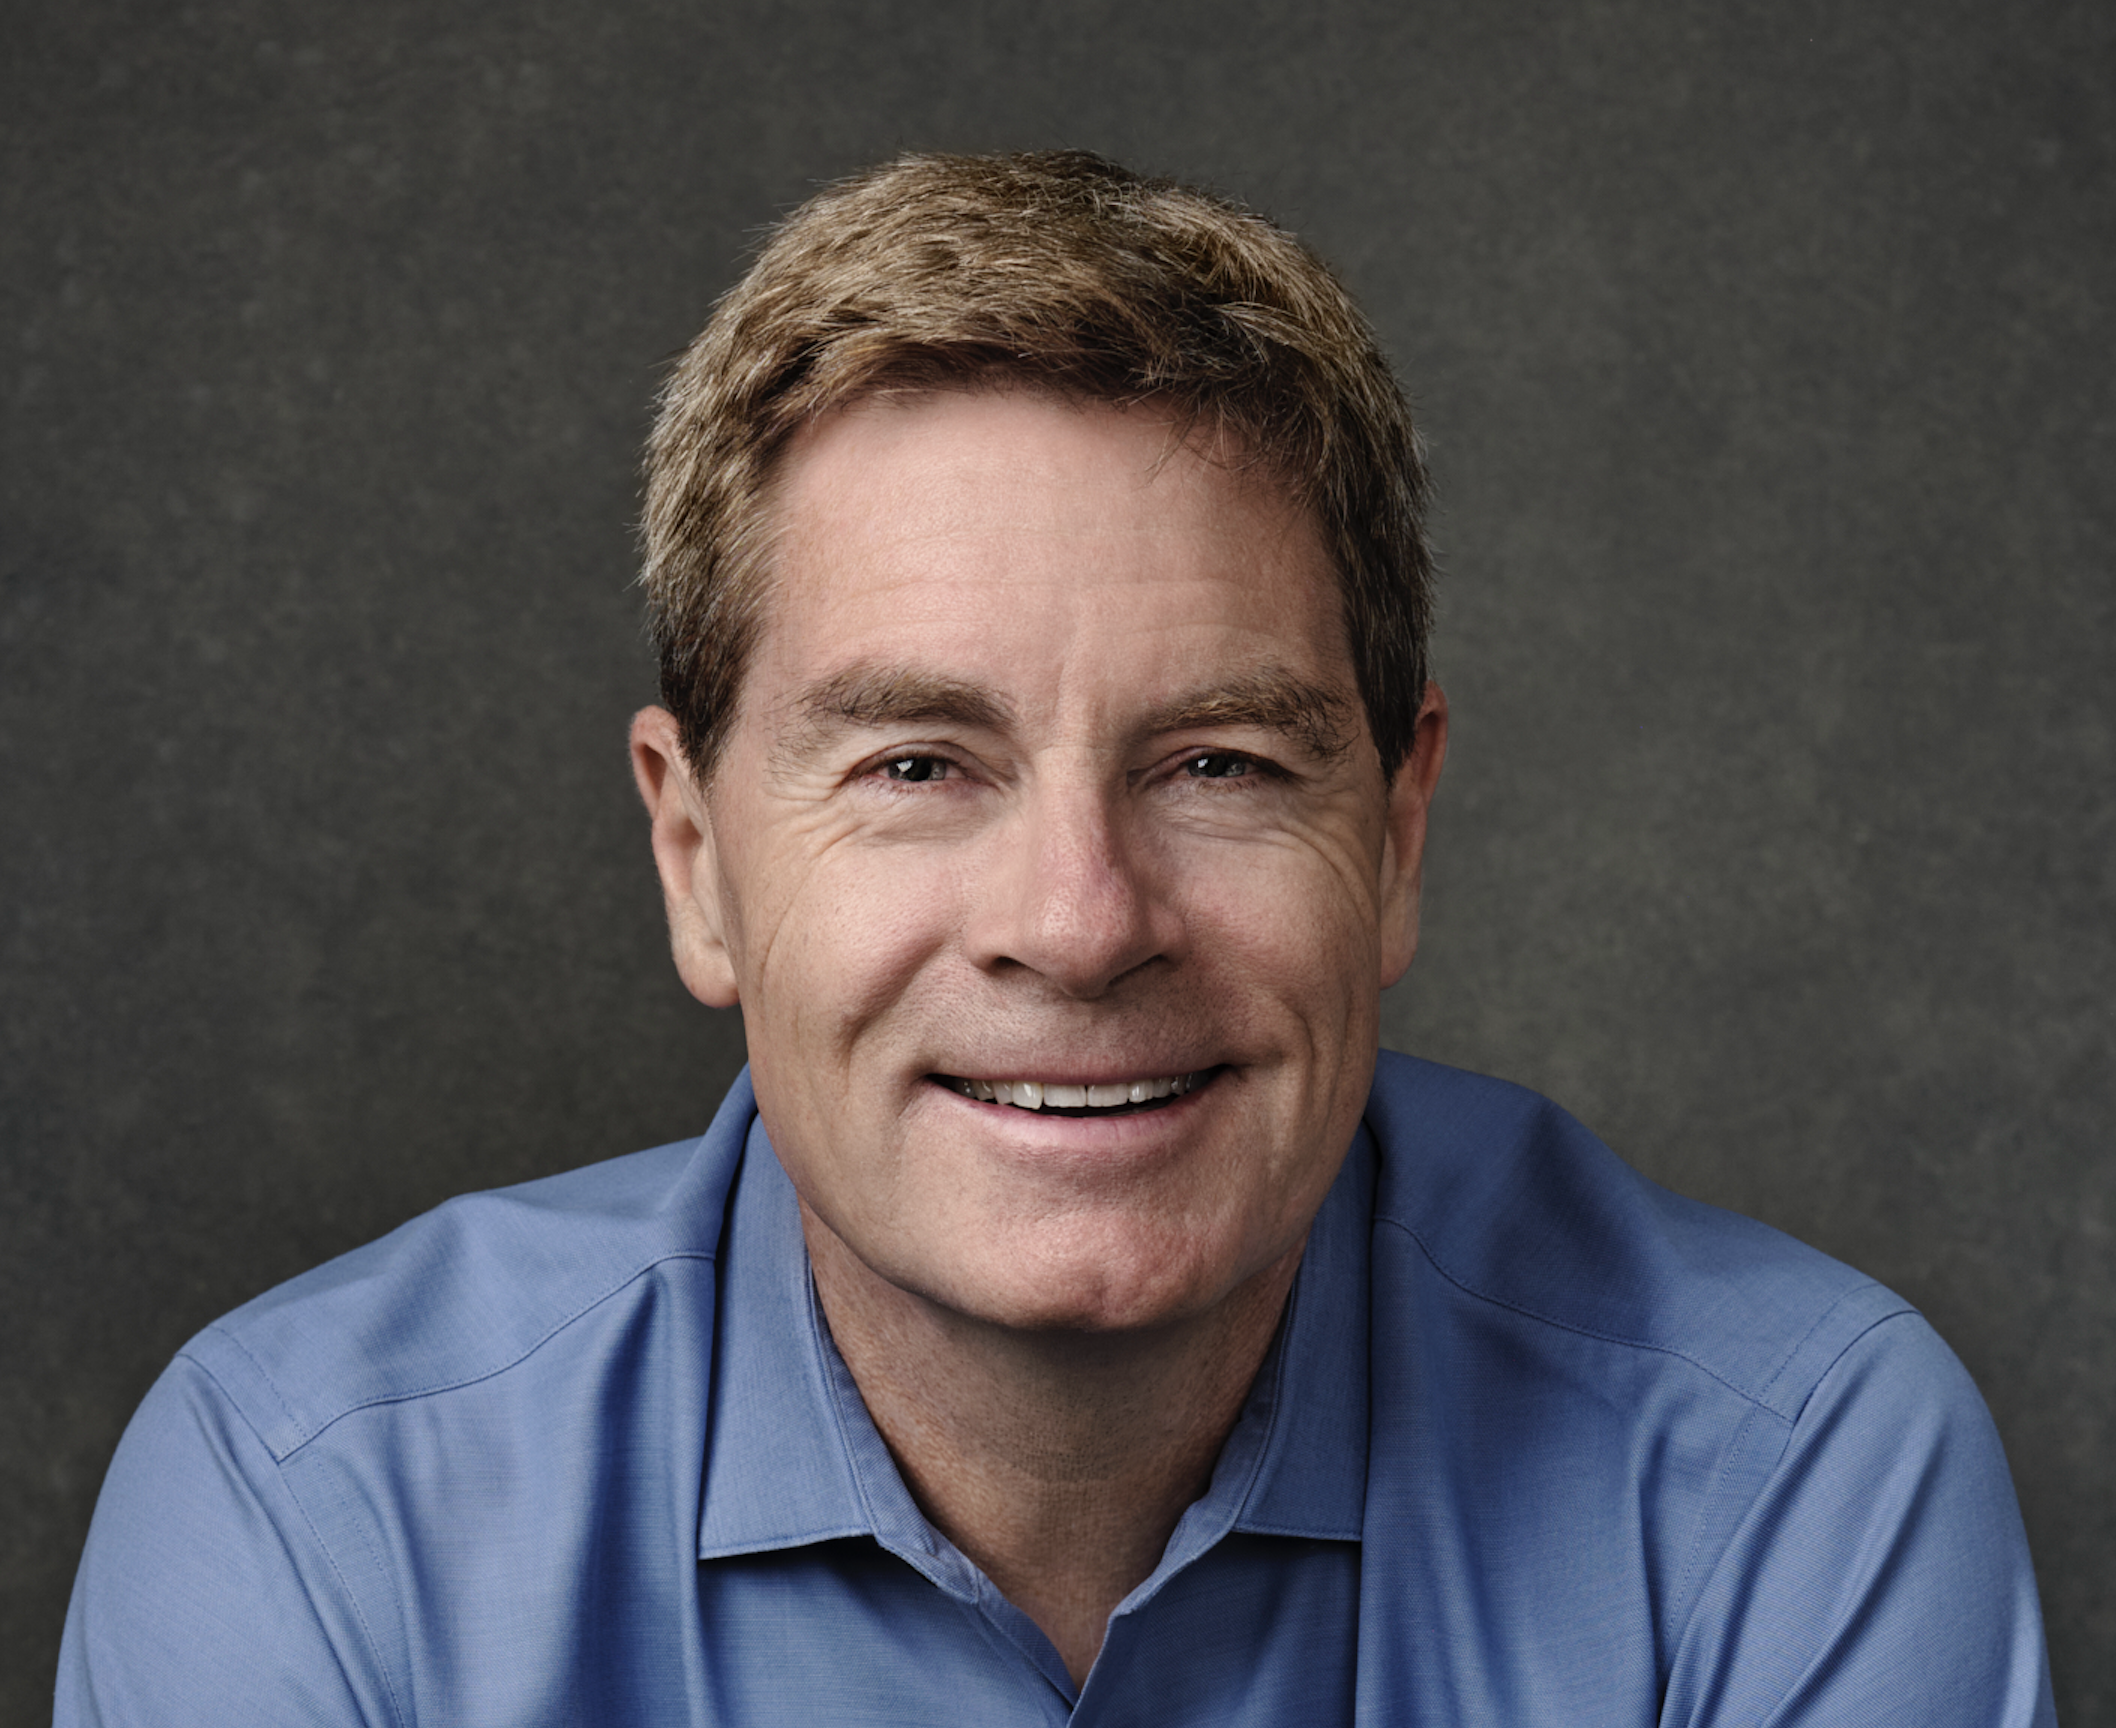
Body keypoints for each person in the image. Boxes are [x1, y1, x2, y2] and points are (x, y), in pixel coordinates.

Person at [57, 151, 2054, 1726]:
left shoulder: (1783, 1486)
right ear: (695, 859)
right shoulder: (318, 1514)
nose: (1079, 924)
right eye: (919, 765)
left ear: (1398, 827)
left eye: (1218, 765)